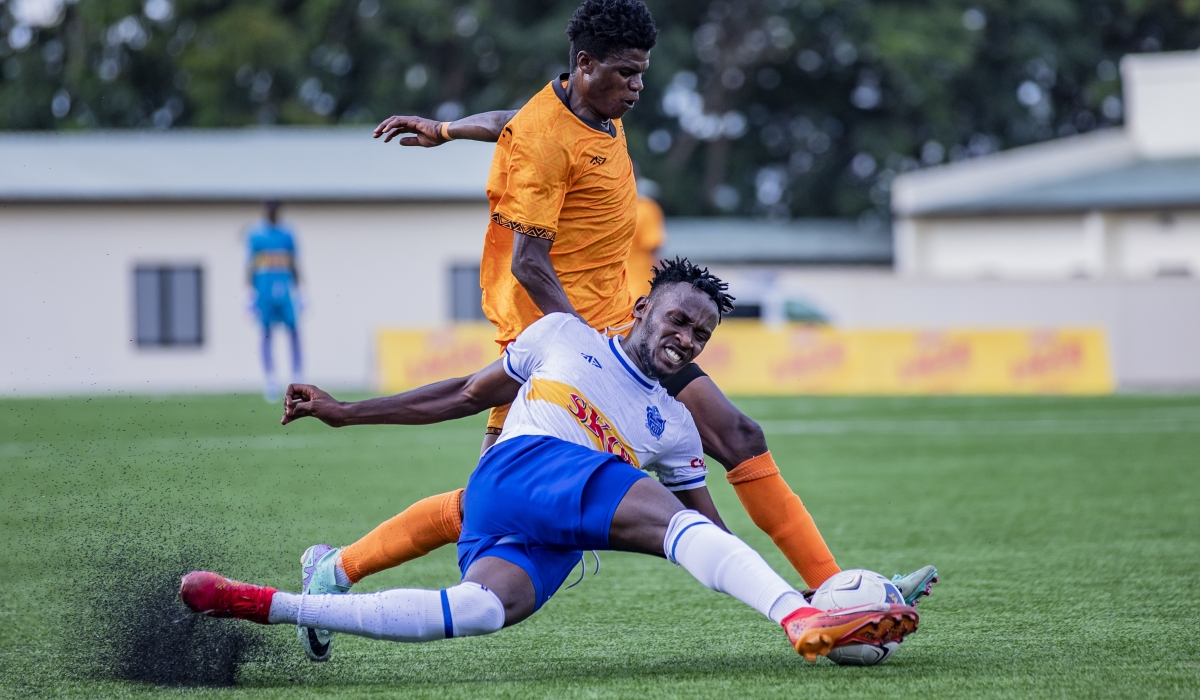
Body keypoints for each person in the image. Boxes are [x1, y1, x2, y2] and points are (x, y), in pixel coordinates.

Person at [344, 0, 934, 658]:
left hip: (614, 323)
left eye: (642, 74)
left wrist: (448, 129)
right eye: (626, 73)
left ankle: (833, 594)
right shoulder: (548, 137)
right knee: (484, 502)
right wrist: (590, 356)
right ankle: (338, 569)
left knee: (736, 434)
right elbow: (531, 264)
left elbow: (509, 121)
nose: (638, 86)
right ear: (584, 65)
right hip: (569, 338)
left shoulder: (589, 109)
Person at [180, 262, 919, 662]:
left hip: (550, 534)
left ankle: (270, 604)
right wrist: (346, 411)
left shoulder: (675, 428)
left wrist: (822, 596)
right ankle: (796, 623)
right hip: (519, 469)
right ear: (640, 310)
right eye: (678, 319)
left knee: (478, 611)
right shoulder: (565, 335)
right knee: (656, 516)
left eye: (701, 335)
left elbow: (708, 535)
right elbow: (466, 395)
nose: (688, 338)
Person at [246, 200, 302, 402]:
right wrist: (249, 293)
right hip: (264, 292)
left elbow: (295, 262)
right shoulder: (256, 235)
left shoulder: (287, 234)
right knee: (266, 334)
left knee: (294, 332)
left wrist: (301, 290)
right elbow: (250, 265)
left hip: (285, 291)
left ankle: (298, 377)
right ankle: (270, 379)